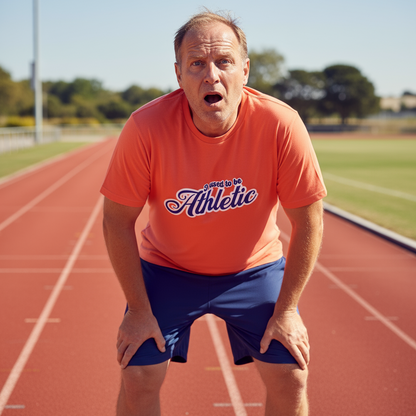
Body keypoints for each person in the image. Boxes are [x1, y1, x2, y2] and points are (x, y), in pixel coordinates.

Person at [101, 10, 326, 416]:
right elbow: (117, 220)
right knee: (137, 376)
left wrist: (288, 310)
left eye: (223, 61)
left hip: (254, 270)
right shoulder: (145, 127)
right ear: (178, 75)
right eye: (196, 64)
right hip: (168, 269)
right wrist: (136, 309)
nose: (211, 75)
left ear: (245, 68)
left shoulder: (281, 124)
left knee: (291, 374)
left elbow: (308, 221)